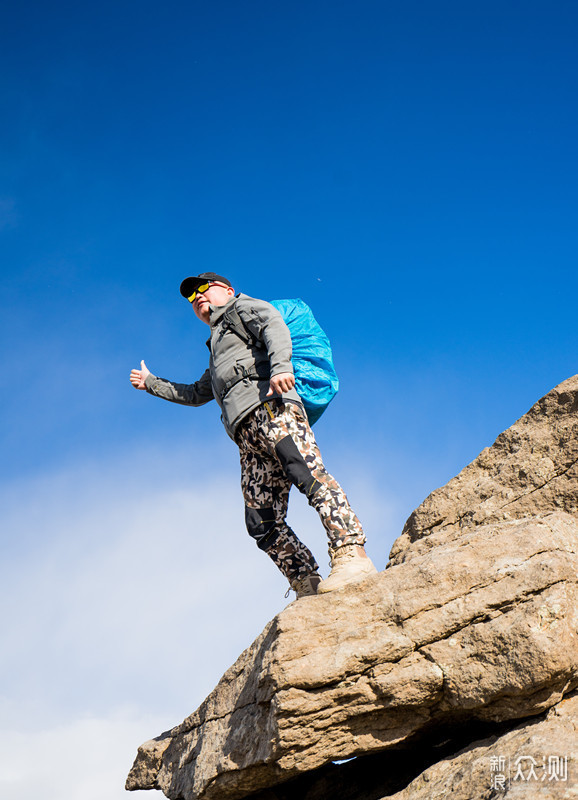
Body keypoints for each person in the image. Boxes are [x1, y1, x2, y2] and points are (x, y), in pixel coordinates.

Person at [129, 272, 377, 599]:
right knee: (261, 519)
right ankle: (306, 582)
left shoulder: (242, 308)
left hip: (273, 410)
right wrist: (151, 383)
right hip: (246, 438)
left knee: (308, 475)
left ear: (228, 290)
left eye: (204, 288)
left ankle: (351, 554)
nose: (198, 296)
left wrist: (281, 368)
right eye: (191, 297)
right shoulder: (218, 348)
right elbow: (196, 393)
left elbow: (273, 327)